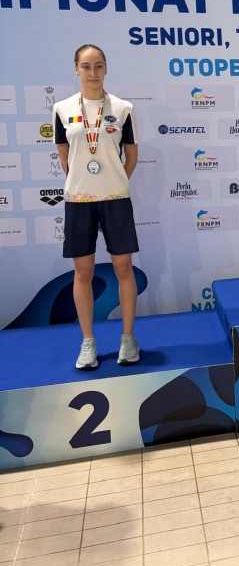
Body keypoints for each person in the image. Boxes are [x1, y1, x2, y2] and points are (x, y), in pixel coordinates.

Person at [53, 44, 140, 368]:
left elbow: (131, 156)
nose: (93, 72)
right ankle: (88, 342)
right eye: (87, 66)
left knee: (123, 268)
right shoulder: (62, 109)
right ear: (76, 69)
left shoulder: (123, 108)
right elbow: (64, 156)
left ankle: (128, 339)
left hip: (116, 199)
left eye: (98, 66)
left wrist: (113, 182)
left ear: (106, 69)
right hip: (79, 200)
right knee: (83, 272)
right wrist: (84, 182)